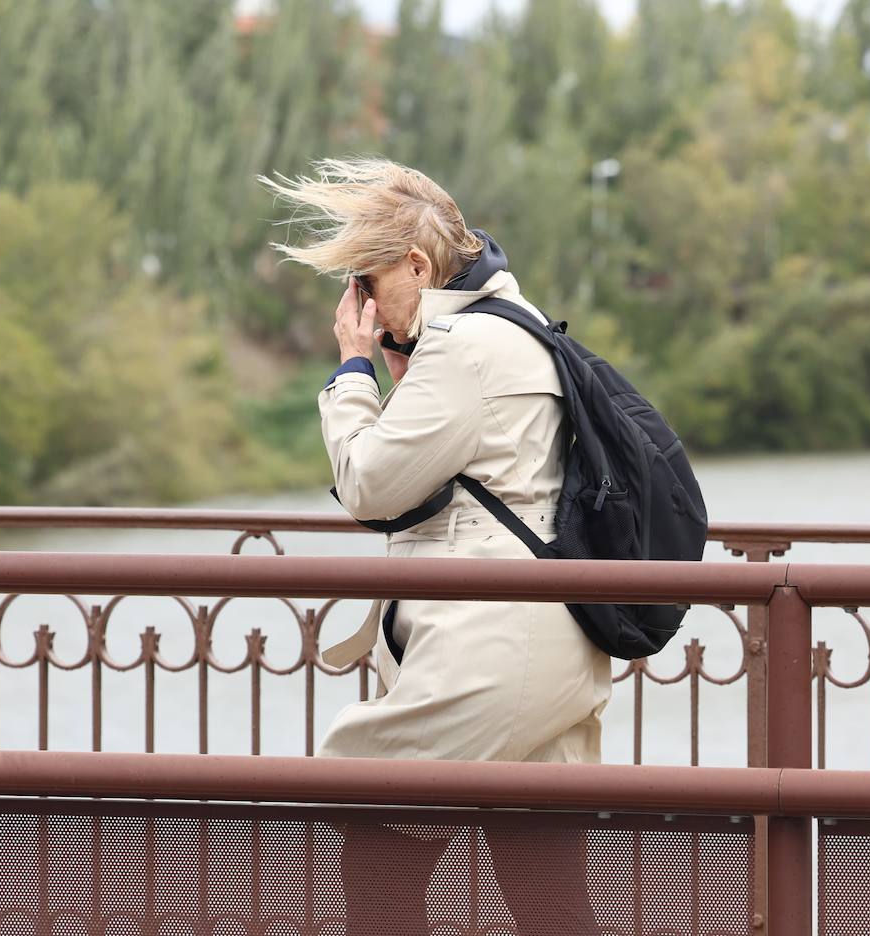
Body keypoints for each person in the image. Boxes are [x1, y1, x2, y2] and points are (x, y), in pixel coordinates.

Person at [257, 157, 611, 935]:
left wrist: (352, 370)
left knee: (380, 865)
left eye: (368, 284)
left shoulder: (465, 348)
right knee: (548, 897)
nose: (363, 308)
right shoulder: (515, 327)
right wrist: (402, 370)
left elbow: (370, 485)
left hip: (491, 648)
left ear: (418, 266)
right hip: (547, 643)